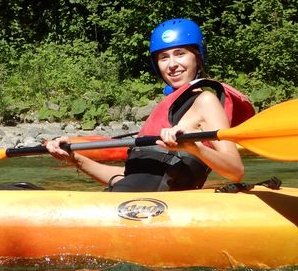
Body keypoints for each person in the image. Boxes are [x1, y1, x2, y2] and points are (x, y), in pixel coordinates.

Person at [45, 18, 254, 192]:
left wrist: (194, 147)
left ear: (197, 57)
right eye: (164, 57)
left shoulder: (205, 101)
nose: (172, 65)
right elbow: (129, 179)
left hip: (151, 209)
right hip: (130, 204)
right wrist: (75, 159)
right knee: (18, 187)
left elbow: (235, 170)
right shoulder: (167, 108)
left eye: (180, 54)